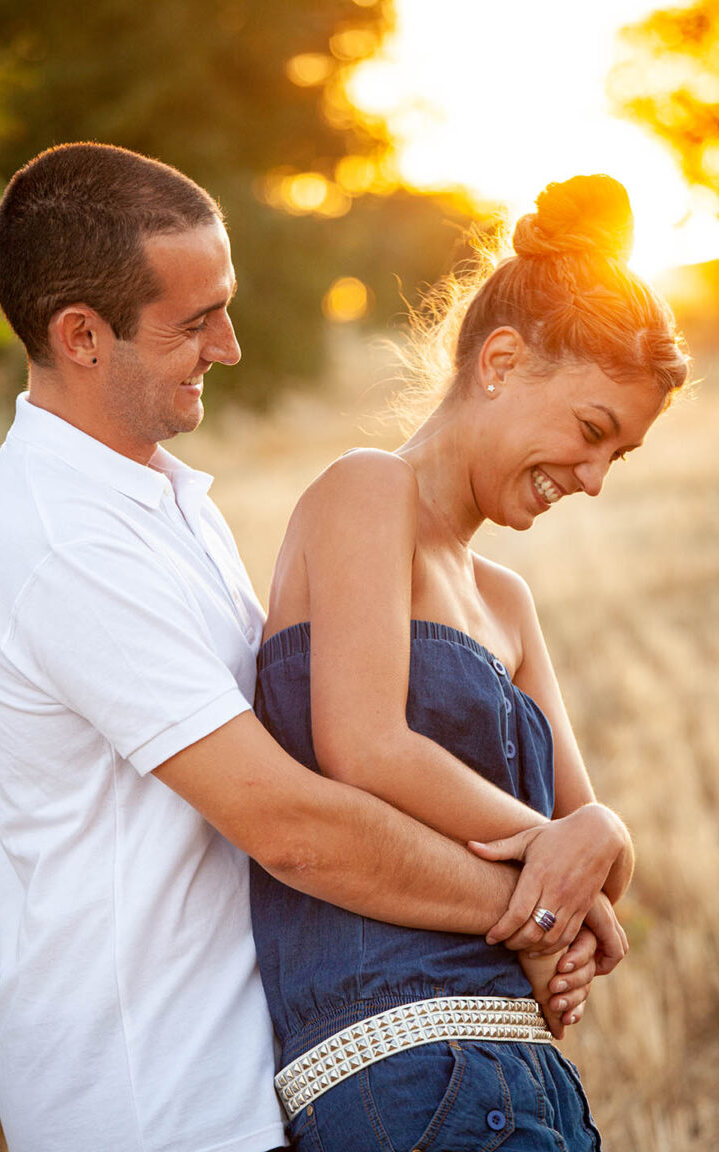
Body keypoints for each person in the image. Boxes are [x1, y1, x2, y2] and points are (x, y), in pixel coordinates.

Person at [0, 144, 610, 1152]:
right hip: (154, 1103)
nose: (230, 345)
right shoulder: (61, 541)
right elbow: (291, 824)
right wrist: (537, 909)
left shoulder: (165, 505)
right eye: (194, 320)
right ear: (81, 336)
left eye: (227, 304)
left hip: (254, 1077)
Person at [249, 174, 689, 1150]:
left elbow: (592, 851)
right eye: (591, 431)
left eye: (618, 458)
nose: (594, 480)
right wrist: (562, 864)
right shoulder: (366, 493)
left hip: (527, 1073)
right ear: (500, 361)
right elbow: (365, 744)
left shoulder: (509, 604)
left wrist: (600, 836)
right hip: (400, 1067)